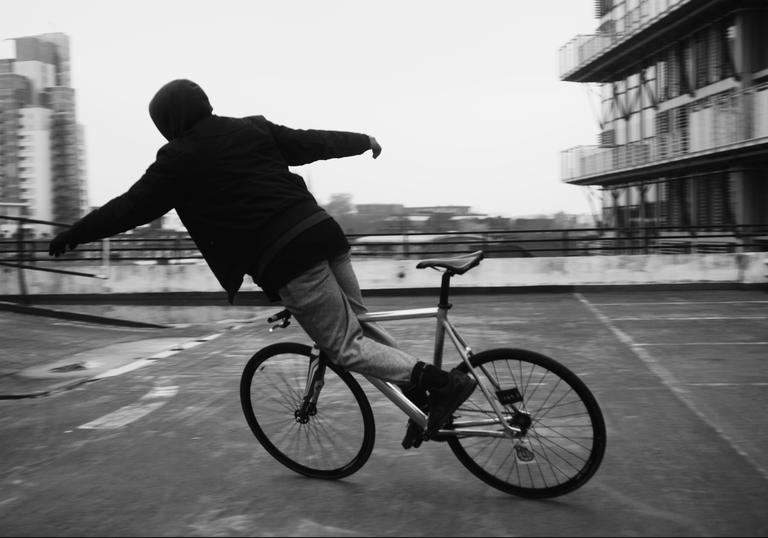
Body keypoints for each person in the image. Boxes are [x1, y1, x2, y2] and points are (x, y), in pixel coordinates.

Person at [48, 79, 476, 441]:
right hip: (324, 232)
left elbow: (128, 208)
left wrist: (75, 234)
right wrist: (362, 141)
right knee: (359, 324)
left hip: (288, 256)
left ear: (168, 123)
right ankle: (421, 399)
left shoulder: (176, 160)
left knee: (344, 346)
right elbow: (312, 142)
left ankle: (440, 385)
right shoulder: (250, 128)